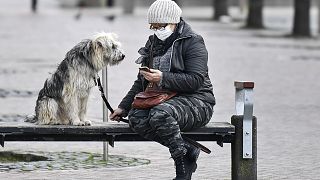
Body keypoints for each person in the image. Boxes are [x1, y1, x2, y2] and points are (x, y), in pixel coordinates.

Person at [110, 0, 215, 179]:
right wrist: (124, 107)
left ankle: (182, 168)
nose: (157, 30)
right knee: (136, 118)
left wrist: (163, 78)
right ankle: (188, 149)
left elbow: (196, 80)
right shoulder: (153, 43)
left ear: (174, 22)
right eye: (153, 26)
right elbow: (141, 81)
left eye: (161, 26)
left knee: (160, 114)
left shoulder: (193, 42)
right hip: (163, 100)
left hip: (198, 102)